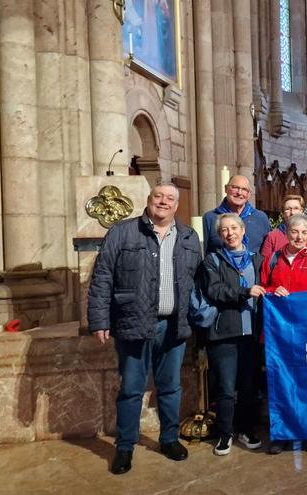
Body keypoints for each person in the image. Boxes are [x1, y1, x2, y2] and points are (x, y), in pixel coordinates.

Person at [87, 183, 202, 475]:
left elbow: (197, 280)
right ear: (149, 201)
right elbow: (102, 276)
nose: (163, 202)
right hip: (133, 321)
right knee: (131, 388)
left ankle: (169, 439)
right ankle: (124, 447)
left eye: (170, 199)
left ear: (177, 205)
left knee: (170, 387)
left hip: (173, 325)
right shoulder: (123, 232)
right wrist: (100, 319)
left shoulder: (189, 236)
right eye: (158, 197)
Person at [261, 213, 307, 454]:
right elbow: (263, 288)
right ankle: (282, 433)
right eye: (294, 232)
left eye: (304, 232)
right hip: (279, 334)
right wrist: (273, 289)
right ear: (286, 234)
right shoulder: (272, 259)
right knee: (280, 382)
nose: (299, 237)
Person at [195, 214, 266, 456]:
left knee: (248, 386)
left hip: (251, 333)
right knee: (225, 388)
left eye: (234, 228)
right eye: (224, 230)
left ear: (243, 230)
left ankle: (246, 430)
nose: (230, 233)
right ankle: (225, 434)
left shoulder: (258, 259)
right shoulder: (212, 261)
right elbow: (215, 290)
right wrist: (245, 292)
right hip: (224, 333)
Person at [202, 175, 271, 254]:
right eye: (235, 187)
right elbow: (204, 252)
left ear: (249, 194)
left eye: (244, 189)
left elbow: (267, 252)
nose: (239, 193)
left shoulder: (260, 218)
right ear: (226, 189)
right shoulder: (210, 218)